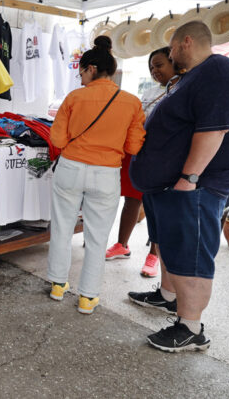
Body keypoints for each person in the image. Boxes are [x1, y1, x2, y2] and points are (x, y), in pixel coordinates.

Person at [129, 20, 229, 352]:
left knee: (191, 253)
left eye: (170, 49)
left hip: (196, 185)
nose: (168, 55)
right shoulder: (194, 77)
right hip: (170, 184)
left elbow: (214, 130)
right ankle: (169, 297)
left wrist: (190, 177)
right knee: (170, 243)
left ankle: (191, 326)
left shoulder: (218, 71)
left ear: (186, 42)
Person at [47, 36, 146, 315]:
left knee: (62, 227)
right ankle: (87, 298)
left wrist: (76, 149)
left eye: (80, 71)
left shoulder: (74, 98)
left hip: (70, 168)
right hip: (106, 173)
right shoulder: (131, 102)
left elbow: (57, 137)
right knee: (97, 236)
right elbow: (134, 146)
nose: (79, 77)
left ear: (91, 68)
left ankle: (57, 285)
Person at [106, 47, 179, 277]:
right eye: (151, 67)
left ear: (173, 62)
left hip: (163, 157)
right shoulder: (149, 91)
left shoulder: (182, 91)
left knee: (157, 207)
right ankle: (122, 245)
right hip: (139, 153)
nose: (154, 71)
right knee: (132, 199)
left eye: (159, 65)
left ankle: (154, 255)